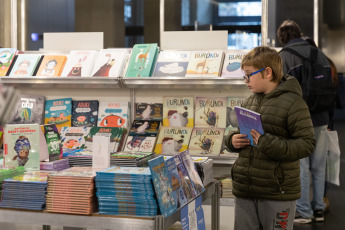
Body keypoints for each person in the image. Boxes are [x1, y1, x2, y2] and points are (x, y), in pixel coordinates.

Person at [225, 46, 315, 230]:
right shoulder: (249, 101)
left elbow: (306, 144)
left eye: (249, 75)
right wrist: (232, 141)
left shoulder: (294, 103)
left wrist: (266, 142)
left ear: (267, 72)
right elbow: (237, 132)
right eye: (245, 75)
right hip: (246, 189)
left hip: (277, 192)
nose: (246, 80)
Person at [277, 19, 332, 223]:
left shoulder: (284, 57)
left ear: (281, 38)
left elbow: (281, 91)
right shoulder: (319, 53)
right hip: (321, 116)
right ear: (299, 33)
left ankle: (304, 211)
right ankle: (318, 208)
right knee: (319, 165)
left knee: (301, 167)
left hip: (299, 119)